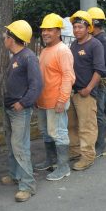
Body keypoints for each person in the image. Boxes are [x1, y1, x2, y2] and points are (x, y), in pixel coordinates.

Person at [1, 20, 42, 202]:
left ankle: (28, 185)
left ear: (12, 39)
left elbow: (36, 85)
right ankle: (15, 174)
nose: (4, 38)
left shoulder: (28, 57)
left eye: (6, 35)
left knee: (20, 146)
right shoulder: (16, 56)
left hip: (19, 110)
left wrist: (23, 103)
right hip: (9, 108)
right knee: (12, 144)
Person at [34, 13, 75, 181]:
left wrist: (62, 99)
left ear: (58, 31)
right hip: (43, 101)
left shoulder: (63, 51)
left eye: (50, 29)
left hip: (56, 101)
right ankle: (51, 160)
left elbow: (68, 76)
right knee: (46, 132)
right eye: (44, 29)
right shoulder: (45, 50)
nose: (45, 33)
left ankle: (63, 167)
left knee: (58, 133)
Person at [67, 10, 105, 171]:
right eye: (75, 27)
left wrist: (88, 89)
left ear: (88, 28)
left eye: (80, 27)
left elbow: (99, 70)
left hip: (86, 94)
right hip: (74, 92)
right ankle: (75, 151)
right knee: (72, 125)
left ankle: (88, 157)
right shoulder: (74, 44)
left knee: (87, 126)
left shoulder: (95, 45)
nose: (76, 30)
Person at [88, 7, 106, 156]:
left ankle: (101, 145)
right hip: (98, 80)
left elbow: (101, 65)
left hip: (99, 81)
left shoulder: (101, 40)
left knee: (99, 113)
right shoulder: (101, 38)